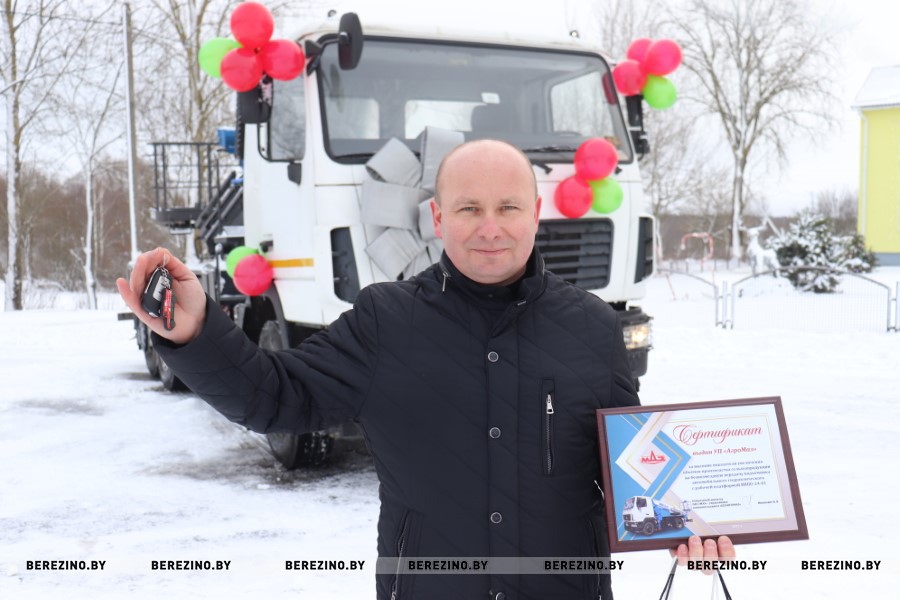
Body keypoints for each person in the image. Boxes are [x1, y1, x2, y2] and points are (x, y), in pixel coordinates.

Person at [118, 140, 734, 599]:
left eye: (508, 207)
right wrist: (197, 333)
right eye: (468, 208)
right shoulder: (386, 321)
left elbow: (632, 469)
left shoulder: (595, 328)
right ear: (438, 218)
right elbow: (274, 396)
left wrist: (685, 525)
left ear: (535, 213)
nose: (490, 228)